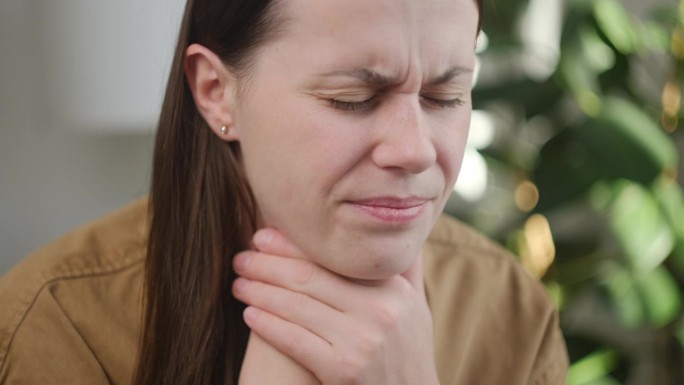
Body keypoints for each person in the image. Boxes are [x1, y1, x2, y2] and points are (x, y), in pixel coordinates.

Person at [0, 0, 568, 384]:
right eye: (352, 98)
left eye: (445, 96)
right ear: (217, 92)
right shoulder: (56, 328)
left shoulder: (510, 313)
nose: (416, 150)